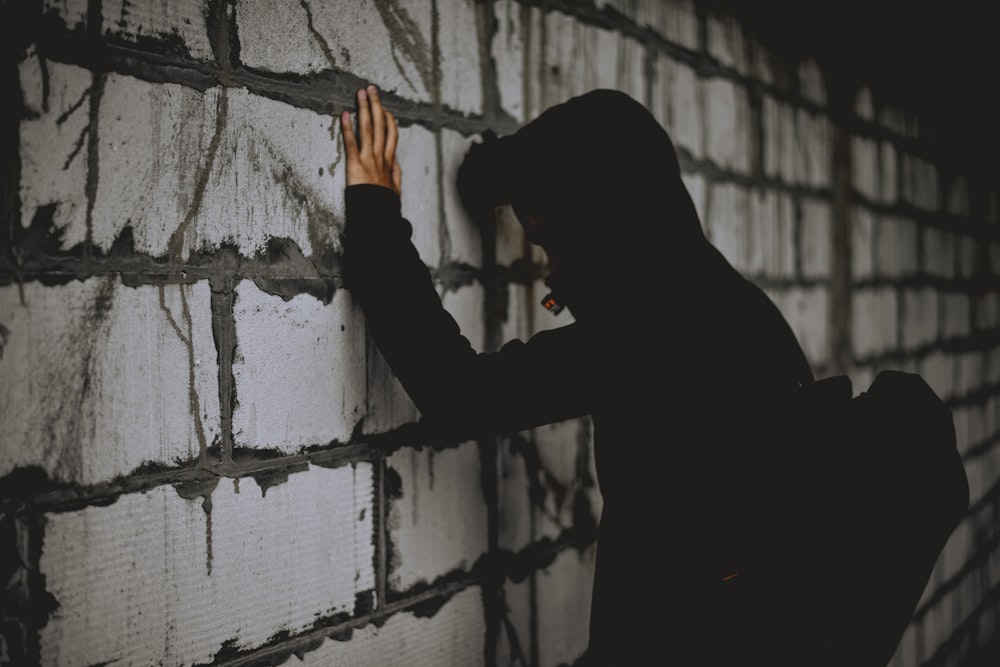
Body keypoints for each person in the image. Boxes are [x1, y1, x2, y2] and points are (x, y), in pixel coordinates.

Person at [339, 84, 816, 665]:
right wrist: (501, 174)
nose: (549, 268)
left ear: (597, 221)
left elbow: (461, 395)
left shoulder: (652, 330)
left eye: (550, 237)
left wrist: (375, 216)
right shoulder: (737, 309)